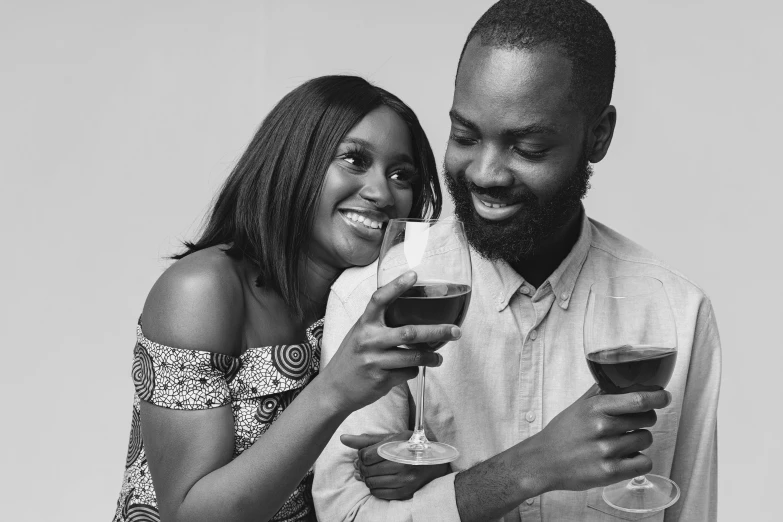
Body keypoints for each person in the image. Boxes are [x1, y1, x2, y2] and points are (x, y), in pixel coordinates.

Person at [312, 1, 721, 521]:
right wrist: (526, 469)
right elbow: (347, 516)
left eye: (527, 147)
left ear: (597, 136)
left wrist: (449, 488)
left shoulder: (678, 314)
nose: (484, 173)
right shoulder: (376, 294)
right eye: (464, 136)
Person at [112, 75, 464, 522]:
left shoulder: (364, 301)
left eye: (401, 175)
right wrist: (333, 391)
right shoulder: (202, 291)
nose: (381, 193)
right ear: (294, 161)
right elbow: (192, 515)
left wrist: (397, 468)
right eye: (355, 160)